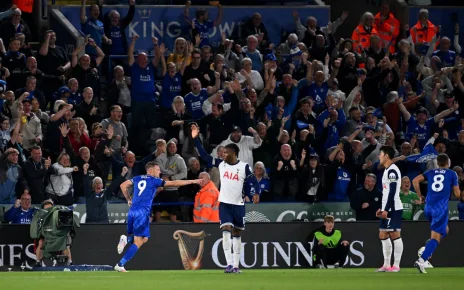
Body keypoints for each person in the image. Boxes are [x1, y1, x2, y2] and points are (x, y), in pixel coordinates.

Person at [191, 124, 259, 273]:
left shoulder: (244, 167)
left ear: (234, 153)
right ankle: (228, 264)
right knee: (226, 230)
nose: (223, 155)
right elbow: (204, 156)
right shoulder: (221, 165)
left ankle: (236, 265)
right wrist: (196, 139)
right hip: (225, 204)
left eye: (226, 152)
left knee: (236, 234)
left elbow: (253, 181)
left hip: (239, 205)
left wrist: (255, 193)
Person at [114, 161, 202, 272]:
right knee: (139, 241)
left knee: (144, 238)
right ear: (150, 170)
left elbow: (123, 185)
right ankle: (120, 263)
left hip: (132, 211)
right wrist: (193, 181)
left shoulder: (137, 178)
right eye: (157, 169)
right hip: (142, 212)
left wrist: (129, 199)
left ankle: (126, 241)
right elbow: (174, 183)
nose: (159, 172)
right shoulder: (154, 180)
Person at [412, 153, 460, 274]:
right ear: (448, 163)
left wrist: (419, 196)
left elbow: (415, 180)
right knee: (436, 237)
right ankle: (422, 259)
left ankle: (428, 246)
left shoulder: (431, 172)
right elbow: (458, 194)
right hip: (440, 208)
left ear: (437, 163)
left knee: (445, 230)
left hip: (428, 207)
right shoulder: (452, 173)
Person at [376, 145, 403, 273]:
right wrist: (381, 208)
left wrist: (386, 209)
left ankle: (396, 265)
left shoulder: (392, 170)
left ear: (386, 156)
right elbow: (386, 193)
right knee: (382, 234)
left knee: (394, 234)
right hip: (387, 207)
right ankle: (386, 265)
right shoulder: (387, 170)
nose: (379, 156)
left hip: (393, 208)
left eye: (380, 154)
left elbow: (392, 192)